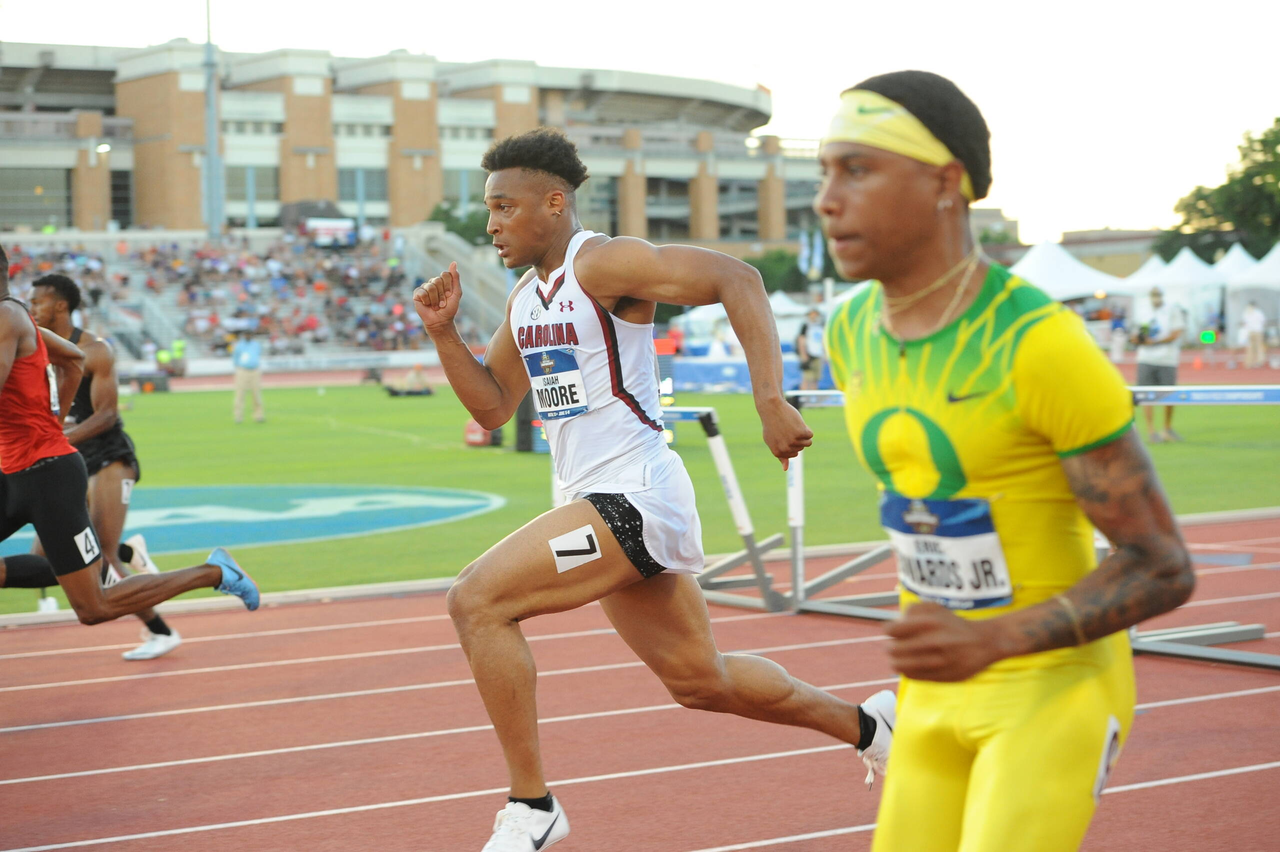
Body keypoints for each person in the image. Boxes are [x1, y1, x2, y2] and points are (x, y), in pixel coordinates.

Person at [413, 128, 895, 852]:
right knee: (701, 681)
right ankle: (869, 724)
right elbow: (491, 407)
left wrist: (769, 398)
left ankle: (532, 806)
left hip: (634, 495)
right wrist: (445, 334)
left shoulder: (604, 264)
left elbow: (738, 279)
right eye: (488, 209)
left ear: (554, 203)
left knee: (476, 601)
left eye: (504, 207)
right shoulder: (523, 299)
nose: (491, 224)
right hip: (595, 501)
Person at [816, 71, 1195, 852]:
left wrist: (996, 639)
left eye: (856, 169)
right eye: (825, 171)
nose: (826, 199)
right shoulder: (849, 333)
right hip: (933, 694)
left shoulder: (1037, 343)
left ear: (944, 182)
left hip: (1052, 688)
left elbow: (1162, 564)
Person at [0, 244, 261, 625]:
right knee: (72, 573)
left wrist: (49, 429)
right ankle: (121, 561)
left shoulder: (7, 315)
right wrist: (52, 422)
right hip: (15, 472)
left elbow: (80, 367)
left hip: (47, 475)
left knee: (94, 606)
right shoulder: (21, 318)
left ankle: (216, 572)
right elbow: (73, 359)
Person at [30, 274, 181, 660]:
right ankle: (133, 553)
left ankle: (161, 632)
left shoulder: (95, 350)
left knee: (103, 557)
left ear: (60, 307)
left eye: (38, 303)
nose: (31, 309)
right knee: (42, 556)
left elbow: (107, 415)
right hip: (68, 461)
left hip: (109, 456)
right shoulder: (34, 348)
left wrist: (56, 440)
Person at [1131, 287, 1184, 442]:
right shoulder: (1142, 312)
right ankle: (1151, 431)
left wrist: (1154, 342)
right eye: (1153, 295)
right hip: (1145, 358)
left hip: (1167, 359)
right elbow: (1134, 335)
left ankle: (1167, 428)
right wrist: (1139, 339)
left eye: (1158, 295)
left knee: (1169, 394)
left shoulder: (1172, 310)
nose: (1155, 298)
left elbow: (1176, 333)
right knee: (1146, 395)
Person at [231, 329, 265, 423]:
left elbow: (257, 355)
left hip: (254, 370)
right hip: (243, 370)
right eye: (246, 334)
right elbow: (235, 358)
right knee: (240, 394)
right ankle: (238, 416)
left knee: (256, 394)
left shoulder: (256, 345)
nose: (248, 336)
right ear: (244, 335)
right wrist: (239, 367)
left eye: (249, 334)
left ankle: (259, 415)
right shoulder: (239, 345)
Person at [796, 307, 826, 389]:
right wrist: (803, 355)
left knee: (816, 378)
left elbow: (823, 340)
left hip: (818, 354)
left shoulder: (820, 325)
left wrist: (825, 354)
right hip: (809, 355)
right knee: (807, 378)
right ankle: (803, 397)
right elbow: (801, 340)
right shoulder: (806, 326)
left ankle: (814, 397)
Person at [1242, 300, 1267, 368]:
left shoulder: (1247, 312)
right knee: (1258, 347)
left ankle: (1250, 362)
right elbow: (1263, 321)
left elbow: (1245, 323)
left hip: (1251, 332)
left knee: (1250, 347)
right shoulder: (1258, 313)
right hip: (1258, 331)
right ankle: (1259, 362)